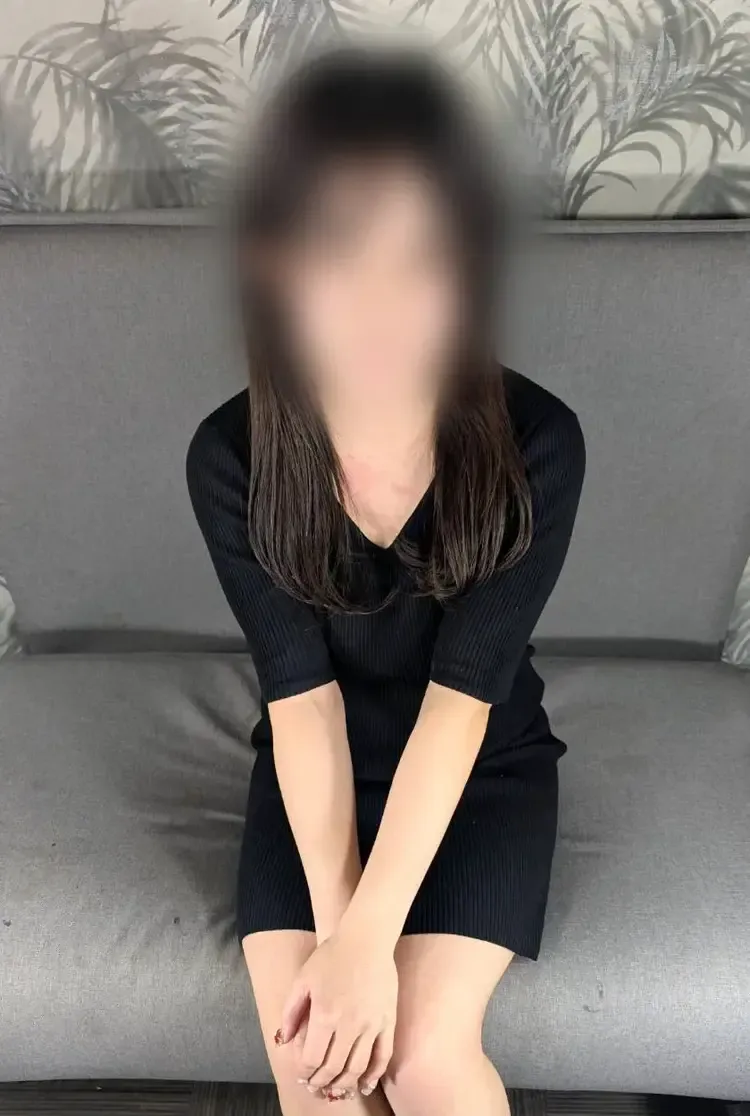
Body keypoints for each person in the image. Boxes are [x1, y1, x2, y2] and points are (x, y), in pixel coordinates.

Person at [187, 47, 585, 1116]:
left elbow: (461, 705)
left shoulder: (539, 442)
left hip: (479, 766)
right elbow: (302, 703)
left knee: (422, 1063)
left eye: (425, 257)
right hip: (313, 777)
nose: (382, 305)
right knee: (320, 1071)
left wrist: (372, 940)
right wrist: (344, 941)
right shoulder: (232, 455)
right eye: (340, 251)